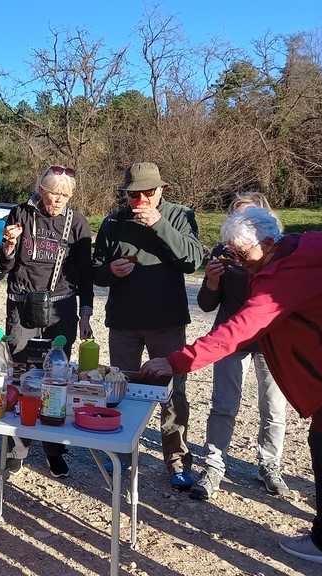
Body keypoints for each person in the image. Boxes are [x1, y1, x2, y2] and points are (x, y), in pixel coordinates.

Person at [143, 206, 322, 570]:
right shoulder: (309, 246)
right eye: (233, 255)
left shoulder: (287, 275)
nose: (239, 264)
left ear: (269, 243)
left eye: (243, 255)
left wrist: (177, 361)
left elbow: (239, 329)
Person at [90, 162, 204, 488]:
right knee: (120, 388)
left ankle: (177, 462)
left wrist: (159, 224)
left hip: (167, 323)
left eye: (147, 193)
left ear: (160, 190)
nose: (140, 200)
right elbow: (95, 269)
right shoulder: (113, 222)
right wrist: (110, 271)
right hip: (124, 323)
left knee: (172, 395)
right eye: (133, 194)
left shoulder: (180, 216)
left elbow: (192, 260)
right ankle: (121, 453)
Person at [190, 192, 289, 500]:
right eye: (236, 217)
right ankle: (213, 466)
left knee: (274, 407)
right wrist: (212, 282)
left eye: (250, 217)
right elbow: (206, 304)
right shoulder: (224, 252)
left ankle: (270, 464)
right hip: (231, 338)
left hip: (272, 340)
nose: (241, 223)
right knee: (223, 404)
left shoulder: (282, 253)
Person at [0, 165, 93, 478]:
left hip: (60, 308)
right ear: (41, 190)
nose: (59, 200)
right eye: (54, 193)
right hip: (22, 304)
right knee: (22, 375)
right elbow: (4, 266)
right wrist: (9, 245)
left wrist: (85, 314)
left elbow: (86, 274)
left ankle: (54, 449)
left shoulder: (77, 222)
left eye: (65, 195)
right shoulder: (21, 214)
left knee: (56, 378)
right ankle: (17, 447)